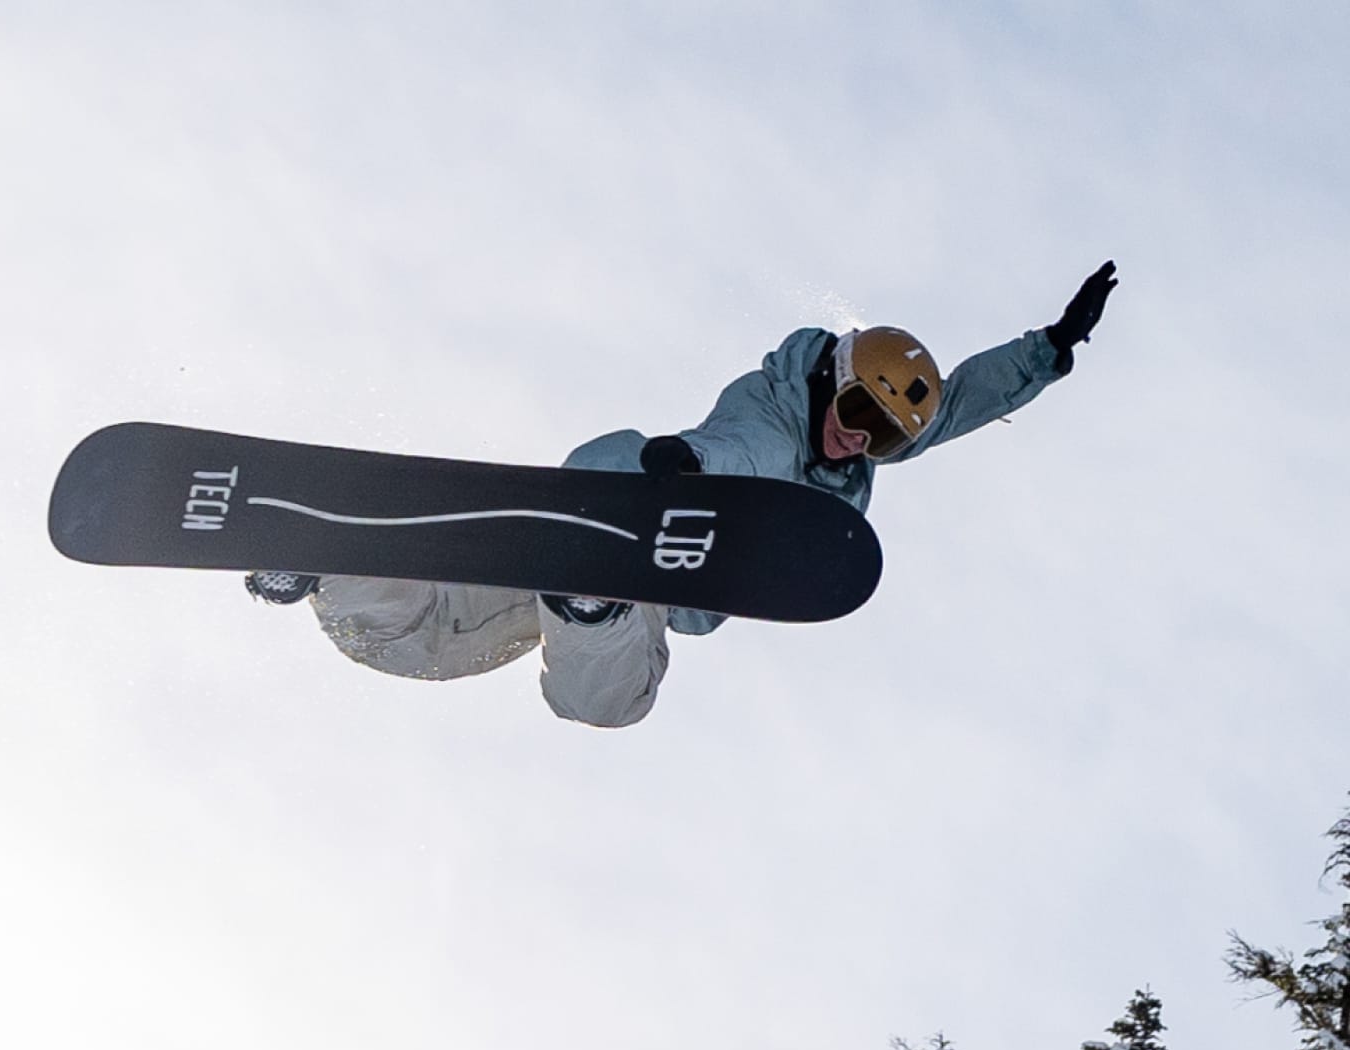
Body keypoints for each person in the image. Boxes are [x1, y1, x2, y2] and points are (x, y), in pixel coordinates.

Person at [245, 265, 1117, 730]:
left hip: (570, 599)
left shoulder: (847, 454)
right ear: (834, 378)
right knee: (534, 676)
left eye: (885, 437)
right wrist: (679, 476)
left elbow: (957, 404)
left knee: (505, 671)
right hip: (636, 527)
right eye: (857, 412)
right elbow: (738, 453)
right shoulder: (776, 413)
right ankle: (594, 576)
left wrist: (1047, 351)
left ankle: (329, 561)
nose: (859, 440)